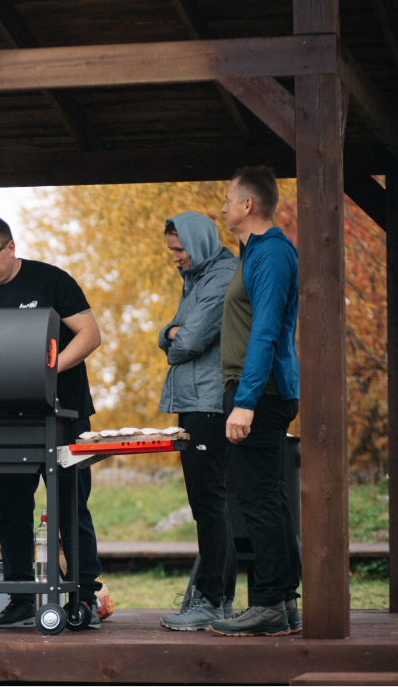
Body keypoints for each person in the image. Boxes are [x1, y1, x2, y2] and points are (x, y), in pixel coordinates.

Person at [0, 215, 105, 630]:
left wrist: (47, 370)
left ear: (10, 248)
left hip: (65, 414)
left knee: (70, 507)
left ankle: (84, 597)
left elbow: (89, 335)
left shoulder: (51, 280)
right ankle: (21, 597)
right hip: (5, 421)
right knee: (11, 510)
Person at [209, 166, 301, 637]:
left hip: (258, 394)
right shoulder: (254, 253)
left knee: (258, 499)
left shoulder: (273, 254)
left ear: (248, 205)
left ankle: (267, 603)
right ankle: (282, 601)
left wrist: (243, 402)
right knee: (268, 495)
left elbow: (266, 330)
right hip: (255, 390)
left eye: (227, 199)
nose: (222, 206)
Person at [155, 212, 239, 631]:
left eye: (180, 249)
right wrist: (172, 332)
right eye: (172, 250)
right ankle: (217, 598)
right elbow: (171, 333)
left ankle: (209, 599)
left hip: (210, 402)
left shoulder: (221, 277)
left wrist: (172, 333)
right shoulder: (198, 280)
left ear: (200, 242)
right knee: (209, 503)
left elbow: (185, 340)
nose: (176, 257)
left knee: (209, 503)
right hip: (196, 401)